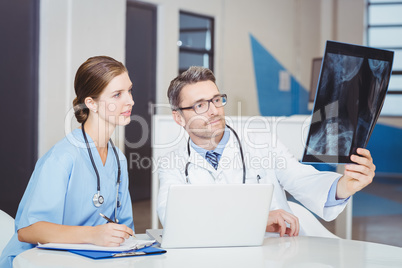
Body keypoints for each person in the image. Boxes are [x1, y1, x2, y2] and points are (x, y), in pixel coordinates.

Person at [157, 66, 376, 237]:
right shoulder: (173, 163)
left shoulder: (260, 142)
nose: (214, 111)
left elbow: (300, 179)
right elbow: (173, 219)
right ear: (178, 117)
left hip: (272, 251)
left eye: (216, 100)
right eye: (200, 105)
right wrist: (256, 219)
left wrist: (344, 186)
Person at [0, 56, 135, 267]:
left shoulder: (118, 159)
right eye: (117, 94)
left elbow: (125, 227)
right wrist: (93, 235)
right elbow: (28, 231)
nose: (130, 101)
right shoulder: (63, 157)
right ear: (91, 103)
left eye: (129, 90)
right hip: (34, 261)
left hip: (88, 260)